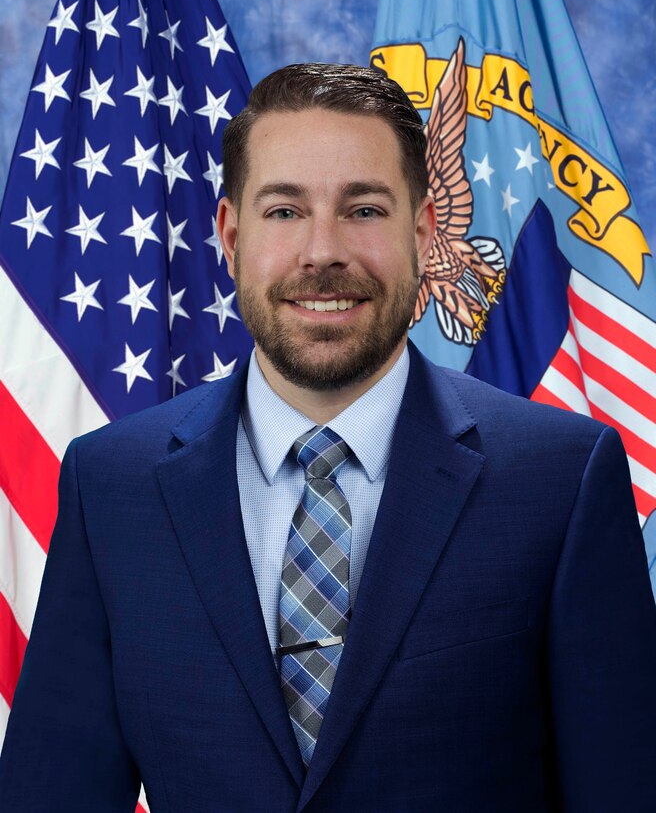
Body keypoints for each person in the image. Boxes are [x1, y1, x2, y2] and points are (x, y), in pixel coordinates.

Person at [1, 62, 655, 812]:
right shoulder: (110, 484)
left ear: (422, 231)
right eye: (284, 212)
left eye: (365, 210)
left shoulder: (560, 479)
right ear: (230, 235)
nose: (322, 252)